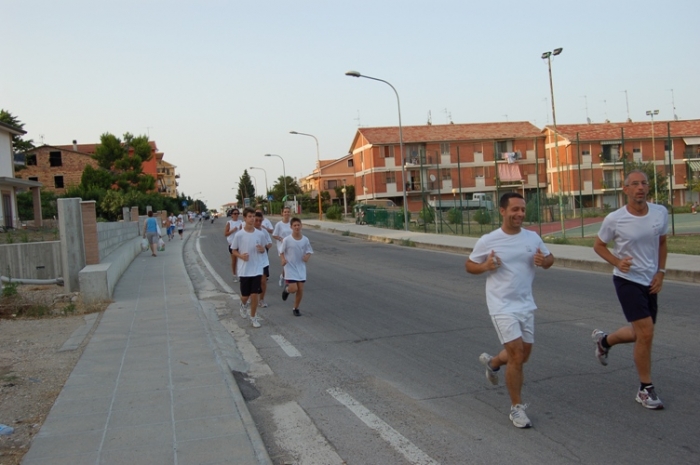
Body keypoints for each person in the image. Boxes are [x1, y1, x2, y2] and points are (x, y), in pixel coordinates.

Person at [465, 192, 554, 428]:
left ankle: (493, 363)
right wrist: (486, 265)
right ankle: (516, 408)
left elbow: (550, 258)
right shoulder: (489, 240)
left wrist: (542, 261)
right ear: (502, 211)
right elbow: (469, 265)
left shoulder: (532, 237)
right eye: (515, 209)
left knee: (523, 355)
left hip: (525, 304)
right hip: (501, 305)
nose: (520, 214)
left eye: (522, 209)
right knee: (516, 355)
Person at [592, 170, 668, 410]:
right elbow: (599, 245)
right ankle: (645, 389)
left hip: (651, 280)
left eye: (644, 183)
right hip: (627, 280)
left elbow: (663, 243)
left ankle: (605, 341)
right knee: (646, 333)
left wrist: (661, 272)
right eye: (634, 184)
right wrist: (617, 262)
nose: (640, 188)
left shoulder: (660, 212)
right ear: (625, 190)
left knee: (639, 333)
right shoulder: (615, 219)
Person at [230, 207, 267, 328]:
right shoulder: (239, 235)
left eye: (253, 217)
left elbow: (263, 249)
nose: (252, 219)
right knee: (245, 296)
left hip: (256, 268)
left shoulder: (260, 234)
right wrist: (241, 256)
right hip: (244, 270)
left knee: (254, 295)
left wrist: (262, 250)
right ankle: (243, 304)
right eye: (249, 217)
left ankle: (253, 317)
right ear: (244, 218)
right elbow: (233, 250)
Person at [280, 217, 313, 317]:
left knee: (300, 289)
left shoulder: (305, 239)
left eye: (298, 225)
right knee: (294, 288)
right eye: (294, 225)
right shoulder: (287, 240)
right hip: (290, 266)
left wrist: (307, 256)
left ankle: (296, 308)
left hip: (300, 267)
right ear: (291, 227)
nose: (297, 227)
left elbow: (309, 251)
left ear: (301, 226)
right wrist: (283, 259)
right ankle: (287, 290)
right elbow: (281, 252)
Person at [254, 211, 273, 308]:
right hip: (252, 261)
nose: (258, 223)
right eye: (256, 220)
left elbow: (270, 243)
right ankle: (250, 298)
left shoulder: (263, 231)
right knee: (253, 282)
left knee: (263, 281)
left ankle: (261, 300)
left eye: (260, 221)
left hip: (263, 260)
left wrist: (265, 246)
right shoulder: (248, 231)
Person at [272, 206, 292, 287]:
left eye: (288, 212)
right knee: (285, 263)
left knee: (289, 263)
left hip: (290, 246)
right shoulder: (279, 224)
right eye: (285, 212)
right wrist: (281, 239)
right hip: (282, 247)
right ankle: (287, 280)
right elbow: (274, 235)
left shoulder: (292, 223)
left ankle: (283, 276)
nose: (286, 213)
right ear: (282, 213)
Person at [225, 209, 243, 282]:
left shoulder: (240, 222)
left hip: (240, 244)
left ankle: (241, 275)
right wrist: (232, 230)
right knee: (234, 260)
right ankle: (234, 275)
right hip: (232, 244)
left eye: (237, 213)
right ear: (231, 215)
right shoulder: (229, 223)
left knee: (241, 260)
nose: (236, 215)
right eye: (234, 214)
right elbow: (225, 234)